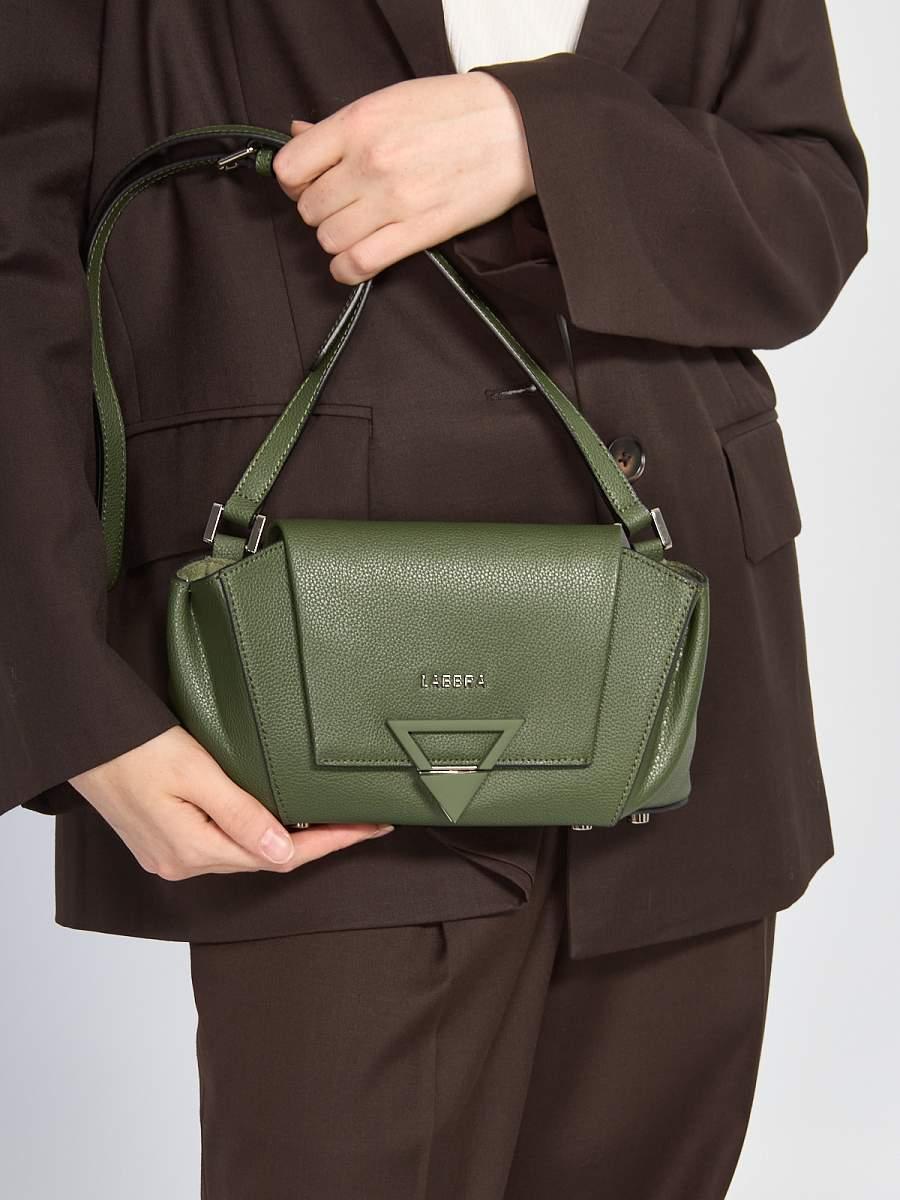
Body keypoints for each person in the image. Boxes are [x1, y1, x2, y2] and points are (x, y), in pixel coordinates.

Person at [0, 1, 867, 1197]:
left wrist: (541, 138)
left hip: (685, 694)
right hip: (303, 698)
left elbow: (811, 213)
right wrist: (61, 689)